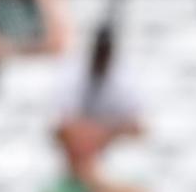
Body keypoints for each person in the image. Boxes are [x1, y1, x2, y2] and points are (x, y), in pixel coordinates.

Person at [55, 24, 143, 156]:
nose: (102, 57)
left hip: (114, 151)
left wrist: (103, 132)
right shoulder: (72, 73)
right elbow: (61, 125)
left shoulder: (124, 77)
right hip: (77, 153)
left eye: (105, 52)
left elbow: (138, 128)